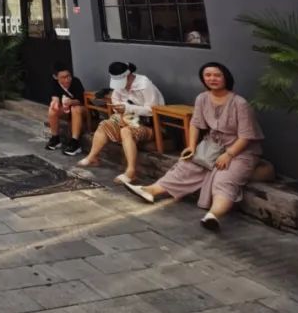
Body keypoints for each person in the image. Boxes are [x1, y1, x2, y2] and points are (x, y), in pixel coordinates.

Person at [125, 62, 264, 232]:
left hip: (240, 150)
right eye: (208, 75)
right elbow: (196, 123)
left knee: (224, 179)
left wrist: (229, 155)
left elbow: (246, 136)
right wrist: (191, 146)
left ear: (226, 77)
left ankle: (213, 215)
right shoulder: (202, 98)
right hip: (213, 146)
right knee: (187, 166)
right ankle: (151, 190)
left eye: (217, 75)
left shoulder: (239, 103)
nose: (212, 79)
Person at [77, 61, 165, 184]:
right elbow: (115, 99)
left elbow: (152, 110)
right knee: (105, 124)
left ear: (128, 76)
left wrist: (128, 108)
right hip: (128, 118)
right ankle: (93, 156)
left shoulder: (144, 84)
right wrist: (119, 108)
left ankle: (131, 171)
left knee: (126, 131)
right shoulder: (120, 87)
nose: (120, 86)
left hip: (149, 124)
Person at [45, 64, 86, 156]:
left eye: (68, 76)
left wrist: (71, 102)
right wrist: (54, 103)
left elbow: (81, 100)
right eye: (63, 77)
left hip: (81, 108)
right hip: (67, 109)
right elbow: (55, 97)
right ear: (56, 77)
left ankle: (75, 142)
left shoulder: (75, 81)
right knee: (52, 110)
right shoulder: (54, 83)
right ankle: (55, 138)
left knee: (75, 108)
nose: (67, 79)